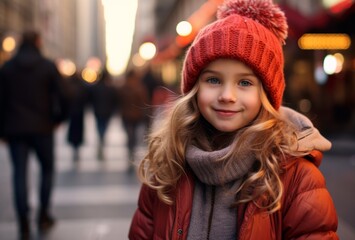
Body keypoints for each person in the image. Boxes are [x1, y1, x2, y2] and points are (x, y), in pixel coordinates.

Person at [128, 0, 339, 239]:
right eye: (214, 80)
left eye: (245, 83)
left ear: (266, 95)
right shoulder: (167, 166)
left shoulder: (296, 177)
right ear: (194, 89)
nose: (227, 96)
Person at [0, 30, 69, 239]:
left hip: (15, 130)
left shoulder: (7, 68)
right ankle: (43, 214)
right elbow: (65, 95)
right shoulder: (47, 66)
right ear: (38, 42)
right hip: (42, 128)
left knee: (19, 174)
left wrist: (2, 129)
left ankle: (23, 222)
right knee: (47, 170)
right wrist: (58, 119)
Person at [117, 69, 149, 170]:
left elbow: (119, 102)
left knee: (130, 136)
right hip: (135, 116)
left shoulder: (123, 87)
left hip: (128, 116)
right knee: (133, 136)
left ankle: (131, 154)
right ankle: (131, 154)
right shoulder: (139, 87)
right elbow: (144, 102)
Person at [88, 68, 117, 160]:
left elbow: (91, 100)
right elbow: (113, 101)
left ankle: (101, 141)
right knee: (103, 128)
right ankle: (101, 141)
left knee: (100, 127)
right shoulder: (110, 88)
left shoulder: (95, 87)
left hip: (98, 111)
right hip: (106, 112)